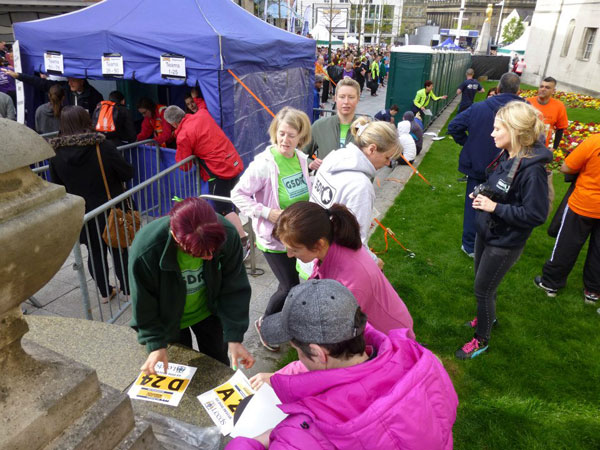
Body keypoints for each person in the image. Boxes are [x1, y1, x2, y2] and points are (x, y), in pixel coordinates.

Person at [227, 279, 457, 450]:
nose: (299, 359)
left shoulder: (300, 435)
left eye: (298, 351)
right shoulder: (422, 361)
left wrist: (258, 441)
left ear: (318, 353)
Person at [455, 101, 551, 359]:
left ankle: (481, 339)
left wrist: (493, 207)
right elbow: (498, 186)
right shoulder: (509, 155)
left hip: (504, 242)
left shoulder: (533, 171)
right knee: (484, 285)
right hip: (487, 233)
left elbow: (536, 214)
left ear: (516, 131)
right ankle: (487, 317)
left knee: (482, 290)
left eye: (498, 129)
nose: (492, 133)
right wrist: (483, 192)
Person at [128, 197, 255, 374]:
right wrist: (155, 343)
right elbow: (143, 301)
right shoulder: (146, 249)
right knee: (180, 369)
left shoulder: (227, 233)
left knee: (217, 361)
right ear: (176, 238)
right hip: (170, 320)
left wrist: (234, 337)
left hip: (210, 313)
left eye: (213, 250)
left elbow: (234, 288)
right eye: (199, 254)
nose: (210, 257)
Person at [231, 107, 312, 351]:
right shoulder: (263, 165)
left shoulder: (301, 159)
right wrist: (268, 213)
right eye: (281, 134)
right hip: (274, 239)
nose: (285, 140)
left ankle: (287, 321)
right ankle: (265, 324)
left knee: (298, 284)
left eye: (291, 135)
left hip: (298, 236)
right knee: (289, 286)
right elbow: (237, 195)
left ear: (301, 137)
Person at [275, 202, 415, 338]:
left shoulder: (351, 281)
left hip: (391, 339)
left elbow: (339, 334)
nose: (289, 255)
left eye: (294, 249)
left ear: (319, 244)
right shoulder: (332, 244)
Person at [48, 105, 133, 304]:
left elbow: (57, 186)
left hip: (82, 213)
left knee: (94, 252)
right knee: (119, 250)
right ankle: (127, 289)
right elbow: (127, 172)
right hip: (110, 207)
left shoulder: (56, 154)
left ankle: (105, 292)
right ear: (86, 121)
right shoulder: (102, 146)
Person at [448, 72, 524, 258]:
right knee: (505, 204)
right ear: (519, 91)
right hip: (511, 169)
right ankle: (495, 242)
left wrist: (468, 143)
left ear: (498, 89)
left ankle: (470, 244)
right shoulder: (525, 111)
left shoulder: (479, 108)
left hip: (481, 165)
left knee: (475, 203)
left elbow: (454, 126)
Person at [310, 117, 400, 268]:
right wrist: (376, 262)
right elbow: (355, 242)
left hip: (310, 249)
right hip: (328, 263)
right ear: (372, 149)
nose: (387, 163)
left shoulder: (335, 156)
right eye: (387, 157)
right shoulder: (361, 186)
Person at [163, 105, 249, 249]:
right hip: (233, 162)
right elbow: (201, 106)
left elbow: (185, 166)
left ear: (173, 123)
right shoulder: (202, 114)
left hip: (219, 171)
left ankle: (243, 242)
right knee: (232, 202)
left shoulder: (184, 135)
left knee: (224, 209)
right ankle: (241, 235)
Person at [534, 134, 600, 304]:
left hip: (583, 204)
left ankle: (550, 283)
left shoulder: (594, 141)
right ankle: (593, 291)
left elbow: (566, 167)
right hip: (586, 203)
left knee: (566, 245)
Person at [526, 76, 569, 209]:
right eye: (542, 86)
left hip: (542, 151)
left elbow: (561, 128)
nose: (543, 89)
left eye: (547, 87)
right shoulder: (528, 103)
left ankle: (540, 206)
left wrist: (554, 148)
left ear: (553, 91)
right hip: (525, 147)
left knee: (539, 180)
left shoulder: (558, 106)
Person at [304, 77, 360, 169]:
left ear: (358, 99)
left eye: (351, 97)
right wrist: (310, 163)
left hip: (355, 183)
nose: (346, 102)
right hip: (325, 181)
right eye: (342, 97)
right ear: (335, 98)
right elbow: (300, 153)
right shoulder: (319, 126)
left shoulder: (366, 129)